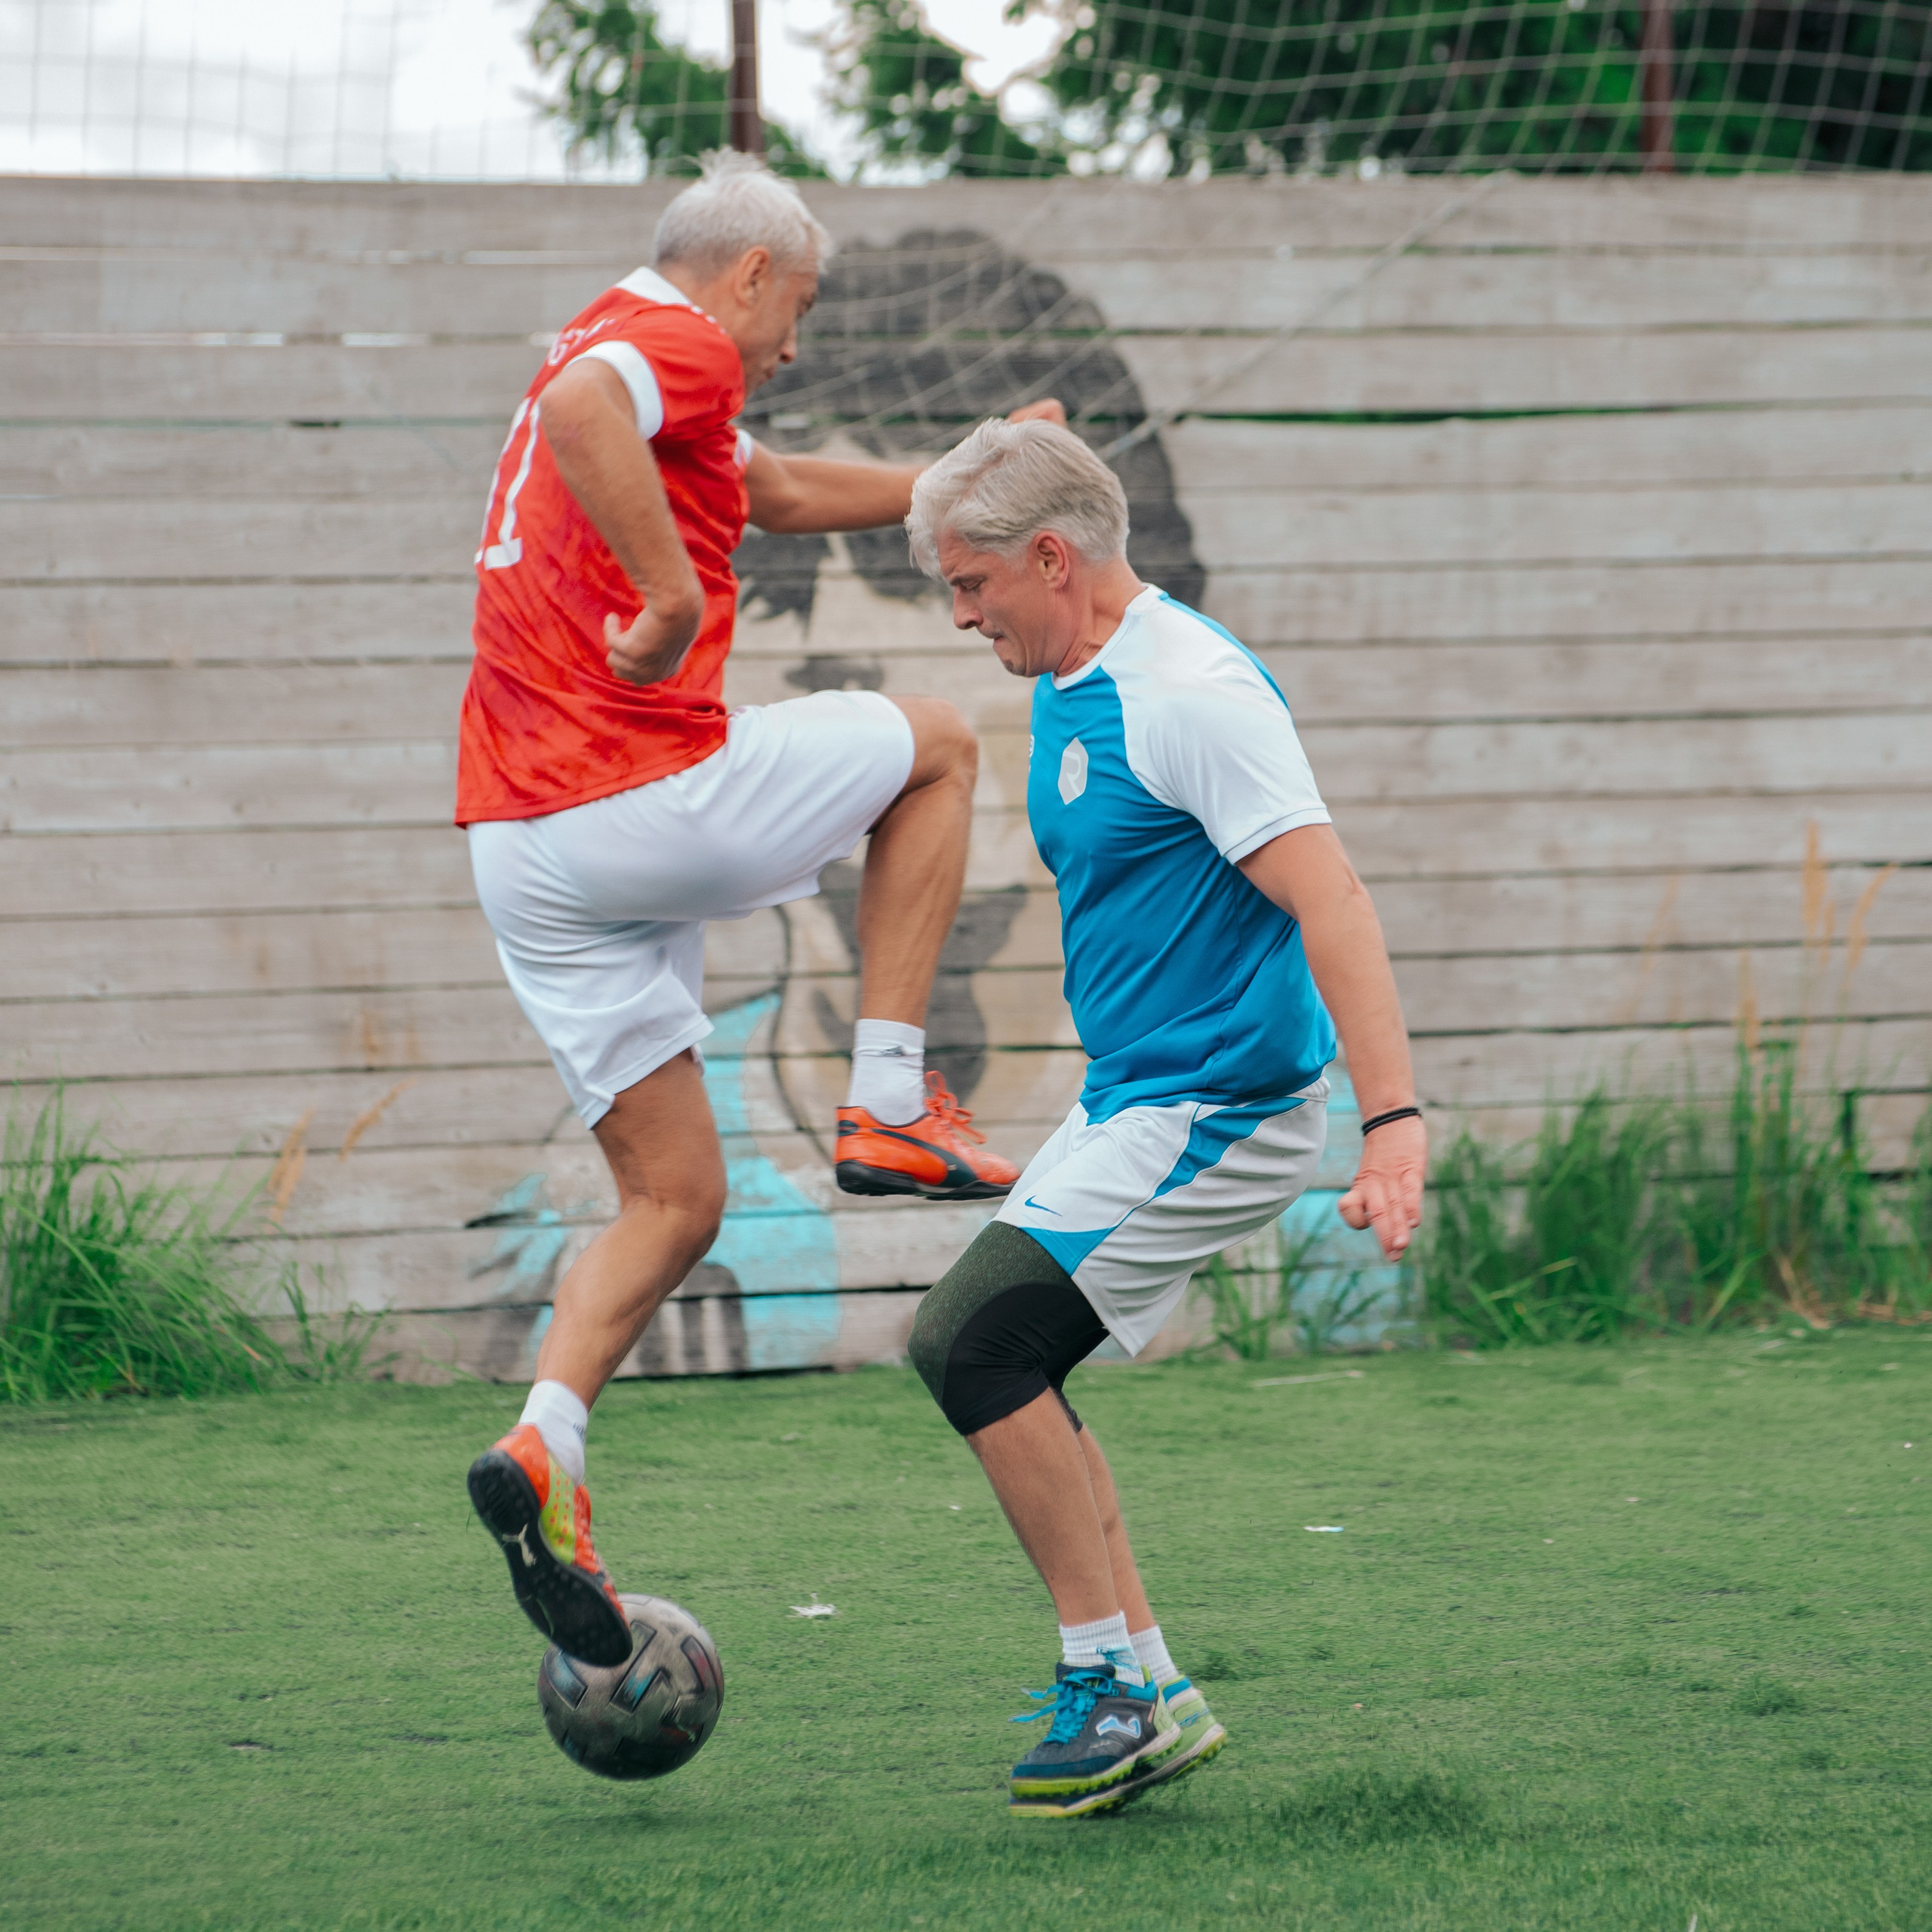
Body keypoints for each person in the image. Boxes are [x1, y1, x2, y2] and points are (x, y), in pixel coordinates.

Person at [459, 152, 1049, 1668]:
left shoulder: (621, 342)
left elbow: (773, 493)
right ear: (749, 276)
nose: (794, 342)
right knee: (939, 746)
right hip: (624, 793)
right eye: (801, 305)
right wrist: (667, 600)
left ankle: (543, 1446)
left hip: (520, 843)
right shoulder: (668, 339)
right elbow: (591, 408)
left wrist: (970, 474)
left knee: (674, 1198)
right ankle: (889, 1098)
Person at [901, 417, 1428, 1817]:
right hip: (1131, 1093)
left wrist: (1393, 1123)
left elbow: (1335, 901)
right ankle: (1151, 1686)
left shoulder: (1191, 695)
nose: (961, 615)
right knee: (1011, 1357)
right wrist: (1024, 435)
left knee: (974, 1343)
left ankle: (1114, 1691)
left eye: (972, 584)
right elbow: (1037, 466)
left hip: (1222, 1106)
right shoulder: (1072, 655)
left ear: (1052, 560)